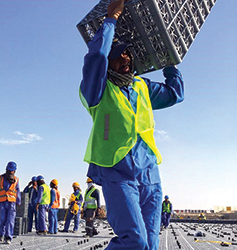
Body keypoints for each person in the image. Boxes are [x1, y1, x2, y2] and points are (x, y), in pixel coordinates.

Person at [79, 0, 184, 248]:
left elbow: (175, 94)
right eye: (117, 56)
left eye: (127, 53)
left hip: (149, 173)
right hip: (116, 170)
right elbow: (96, 56)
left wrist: (168, 59)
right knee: (134, 241)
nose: (124, 58)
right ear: (108, 65)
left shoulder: (141, 86)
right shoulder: (97, 89)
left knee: (150, 244)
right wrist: (111, 19)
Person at [0, 161, 21, 244]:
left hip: (11, 203)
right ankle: (1, 234)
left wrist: (18, 201)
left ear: (14, 171)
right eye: (9, 171)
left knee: (10, 220)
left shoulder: (16, 180)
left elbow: (17, 191)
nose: (10, 172)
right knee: (2, 219)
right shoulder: (1, 178)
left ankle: (8, 237)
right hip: (2, 202)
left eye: (12, 171)